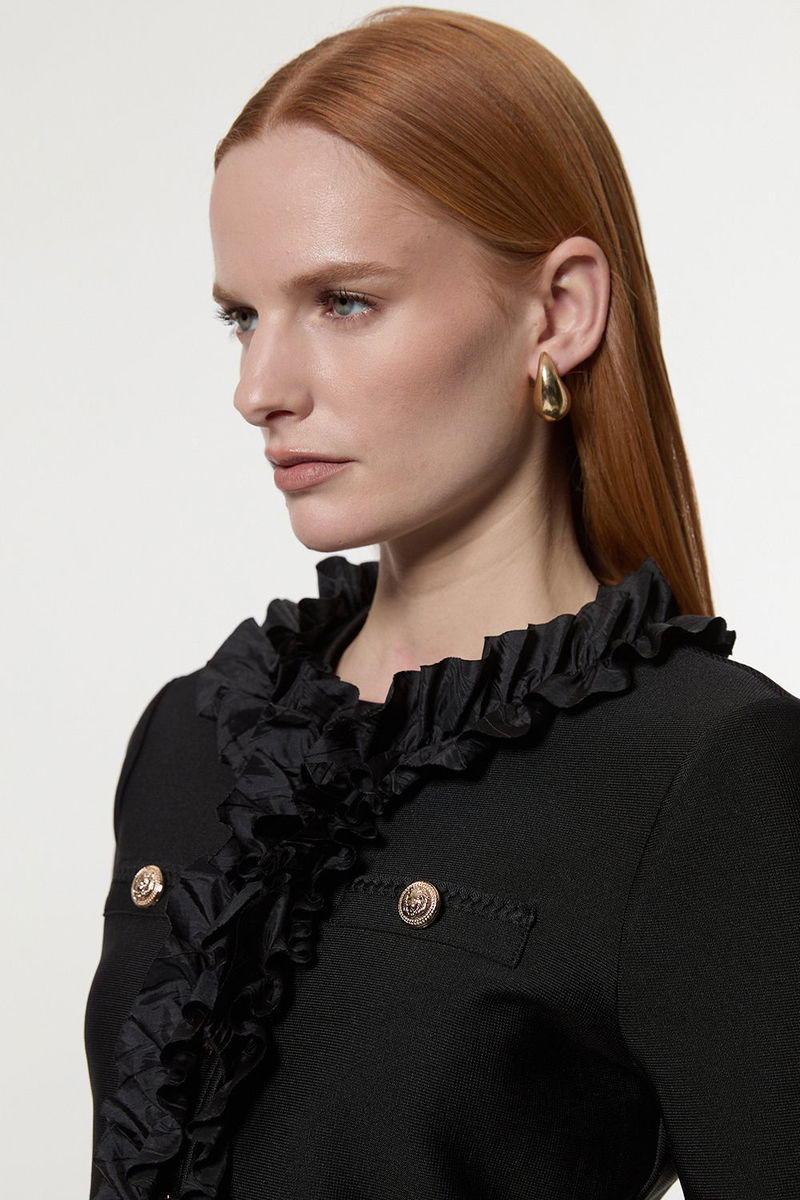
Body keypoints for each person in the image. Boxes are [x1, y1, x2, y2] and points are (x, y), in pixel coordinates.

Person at [84, 6, 800, 1199]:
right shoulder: (192, 736)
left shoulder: (703, 769)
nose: (259, 387)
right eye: (241, 315)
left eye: (342, 301)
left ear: (557, 313)